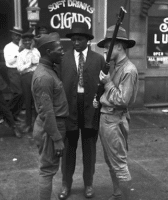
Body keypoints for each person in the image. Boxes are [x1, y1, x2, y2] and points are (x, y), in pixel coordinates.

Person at [59, 22, 105, 199]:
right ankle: (66, 184)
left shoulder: (98, 59)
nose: (75, 42)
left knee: (89, 150)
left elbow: (104, 85)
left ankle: (88, 184)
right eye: (73, 39)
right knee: (68, 149)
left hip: (90, 110)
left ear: (88, 40)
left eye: (79, 39)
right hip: (69, 109)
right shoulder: (63, 58)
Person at [93, 25, 139, 200]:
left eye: (108, 46)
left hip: (114, 120)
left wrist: (108, 83)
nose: (106, 49)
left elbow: (122, 100)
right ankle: (117, 193)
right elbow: (110, 94)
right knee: (110, 162)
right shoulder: (114, 65)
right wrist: (100, 98)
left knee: (119, 164)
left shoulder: (129, 69)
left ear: (119, 46)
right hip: (106, 118)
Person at [32, 32, 68, 200]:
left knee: (49, 168)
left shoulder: (49, 70)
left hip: (54, 126)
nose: (62, 52)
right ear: (48, 51)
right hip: (50, 129)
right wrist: (57, 138)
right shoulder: (44, 77)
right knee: (47, 170)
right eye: (59, 49)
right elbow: (47, 112)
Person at [17, 30, 40, 134]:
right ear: (22, 42)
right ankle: (28, 124)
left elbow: (40, 64)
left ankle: (37, 124)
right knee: (28, 101)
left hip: (36, 77)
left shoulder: (36, 51)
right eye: (25, 41)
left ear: (32, 41)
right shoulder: (21, 54)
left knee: (36, 101)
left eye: (29, 41)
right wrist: (30, 64)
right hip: (26, 78)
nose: (27, 43)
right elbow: (19, 68)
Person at [3, 27, 24, 122]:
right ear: (12, 36)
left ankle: (14, 115)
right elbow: (9, 62)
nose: (17, 37)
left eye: (19, 35)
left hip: (22, 71)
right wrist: (19, 53)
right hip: (13, 71)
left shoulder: (23, 45)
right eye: (16, 35)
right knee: (18, 93)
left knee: (23, 94)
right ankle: (5, 111)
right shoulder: (8, 47)